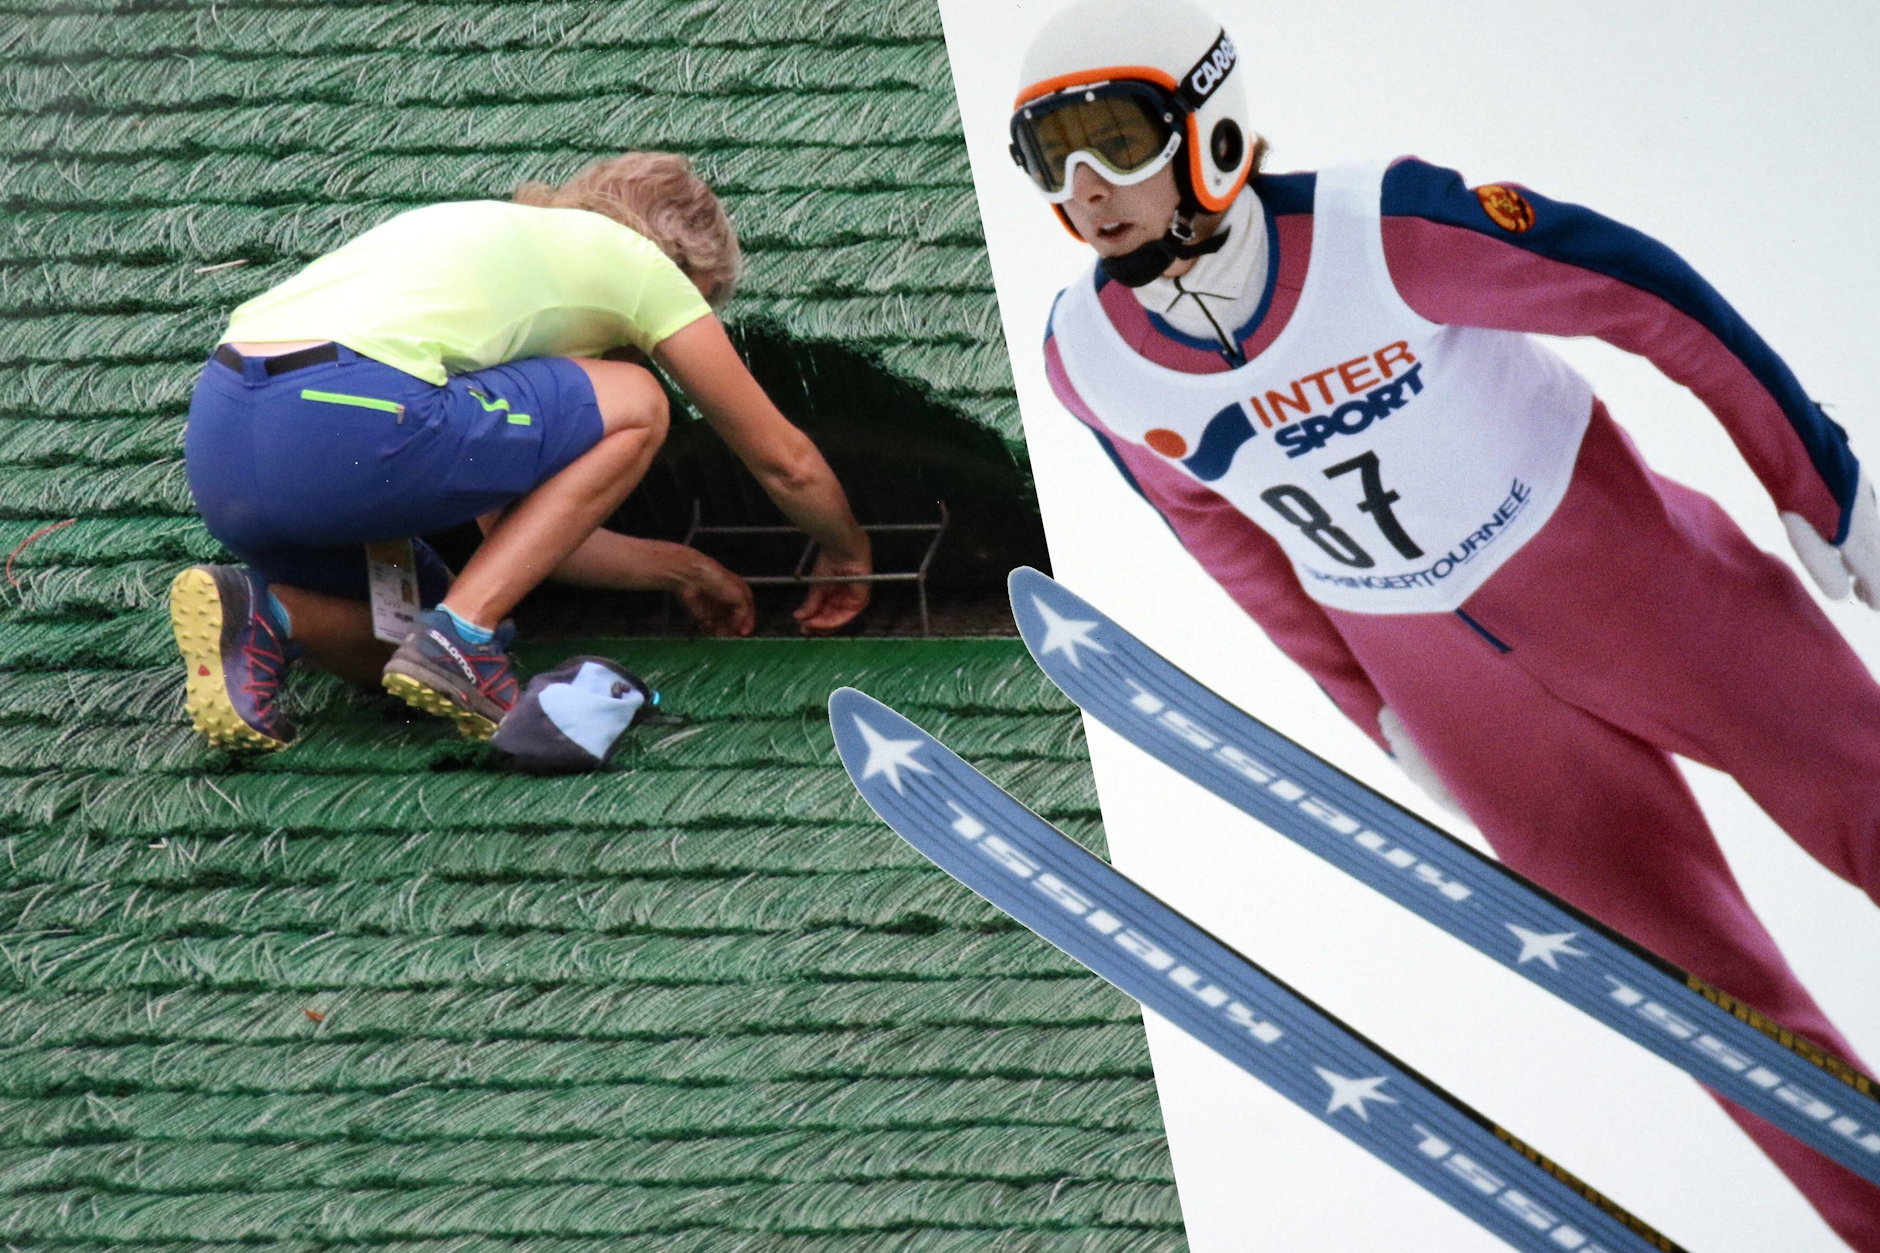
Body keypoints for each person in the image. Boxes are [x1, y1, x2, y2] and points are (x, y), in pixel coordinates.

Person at [1009, 0, 1880, 1244]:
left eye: (1115, 138)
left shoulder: (1374, 229)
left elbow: (1642, 294)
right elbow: (1231, 552)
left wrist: (1815, 473)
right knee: (1709, 1011)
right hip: (1455, 693)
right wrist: (1371, 710)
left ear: (1206, 126)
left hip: (1635, 582)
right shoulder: (1091, 359)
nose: (1087, 188)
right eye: (1051, 156)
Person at [171, 152, 873, 751]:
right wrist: (845, 550)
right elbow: (786, 461)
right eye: (703, 308)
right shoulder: (636, 263)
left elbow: (518, 535)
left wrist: (682, 570)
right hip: (350, 412)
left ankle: (268, 614)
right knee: (636, 400)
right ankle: (461, 639)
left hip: (224, 439)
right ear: (683, 270)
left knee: (411, 635)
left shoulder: (487, 252)